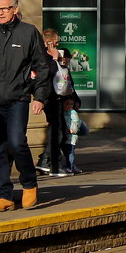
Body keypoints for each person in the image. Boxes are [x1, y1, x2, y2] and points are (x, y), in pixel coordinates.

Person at [0, 0, 53, 212]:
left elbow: (42, 66)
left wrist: (40, 97)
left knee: (17, 142)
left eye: (4, 8)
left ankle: (29, 183)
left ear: (15, 9)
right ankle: (4, 195)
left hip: (18, 97)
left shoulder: (28, 33)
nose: (0, 12)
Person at [36, 28, 71, 177]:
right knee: (57, 130)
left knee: (59, 129)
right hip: (48, 95)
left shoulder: (52, 56)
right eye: (54, 43)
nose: (56, 46)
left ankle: (49, 160)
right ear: (47, 43)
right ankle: (47, 161)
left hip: (56, 95)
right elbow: (46, 73)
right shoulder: (43, 56)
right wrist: (55, 59)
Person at [60, 97, 86, 175]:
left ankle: (70, 167)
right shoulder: (62, 112)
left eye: (71, 104)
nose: (69, 106)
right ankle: (71, 166)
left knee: (70, 152)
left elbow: (76, 122)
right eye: (67, 104)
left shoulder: (73, 113)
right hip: (64, 136)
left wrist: (73, 130)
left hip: (71, 137)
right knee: (66, 152)